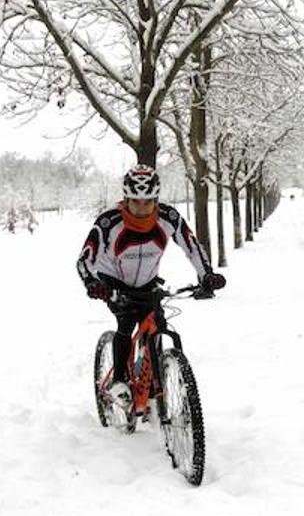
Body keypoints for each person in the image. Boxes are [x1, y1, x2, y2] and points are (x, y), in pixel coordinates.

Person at [77, 164, 226, 406]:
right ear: (126, 199)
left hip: (147, 282)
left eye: (148, 202)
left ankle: (151, 381)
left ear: (156, 199)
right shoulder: (108, 223)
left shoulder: (168, 218)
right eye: (136, 202)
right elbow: (84, 259)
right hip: (113, 280)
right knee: (126, 320)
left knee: (156, 323)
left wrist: (206, 275)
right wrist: (93, 283)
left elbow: (192, 246)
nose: (142, 208)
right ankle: (119, 381)